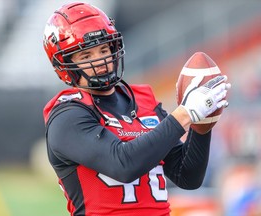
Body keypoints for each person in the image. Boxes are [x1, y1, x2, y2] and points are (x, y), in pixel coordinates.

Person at [42, 2, 231, 216]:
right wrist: (185, 113)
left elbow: (187, 176)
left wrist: (202, 125)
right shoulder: (68, 115)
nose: (101, 60)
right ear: (65, 65)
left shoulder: (143, 100)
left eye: (104, 49)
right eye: (86, 56)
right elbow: (123, 164)